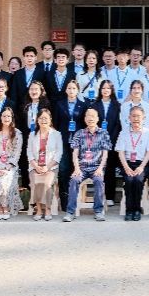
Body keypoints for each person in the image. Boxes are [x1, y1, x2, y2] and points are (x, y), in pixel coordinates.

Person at [64, 107, 112, 221]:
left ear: (97, 119)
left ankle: (98, 211)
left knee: (99, 180)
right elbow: (75, 153)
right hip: (82, 167)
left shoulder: (103, 133)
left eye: (93, 116)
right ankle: (70, 212)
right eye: (88, 116)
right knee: (74, 180)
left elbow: (105, 154)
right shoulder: (79, 133)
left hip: (96, 167)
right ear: (85, 119)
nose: (90, 118)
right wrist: (76, 168)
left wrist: (100, 168)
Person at [116, 106, 149, 221]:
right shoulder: (123, 133)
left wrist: (141, 167)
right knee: (129, 180)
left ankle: (137, 209)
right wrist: (126, 167)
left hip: (142, 164)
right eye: (133, 116)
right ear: (129, 118)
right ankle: (129, 210)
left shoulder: (148, 133)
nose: (136, 118)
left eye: (138, 116)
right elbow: (120, 152)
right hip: (127, 163)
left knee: (138, 180)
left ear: (143, 118)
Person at [0, 107, 23, 220]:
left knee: (5, 181)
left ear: (12, 118)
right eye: (4, 116)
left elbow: (17, 153)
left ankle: (5, 207)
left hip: (10, 164)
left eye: (8, 116)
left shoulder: (17, 133)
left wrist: (7, 167)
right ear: (0, 118)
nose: (6, 118)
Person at [54, 79, 86, 211]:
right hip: (63, 141)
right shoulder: (59, 104)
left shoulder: (83, 105)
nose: (71, 90)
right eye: (69, 88)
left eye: (74, 88)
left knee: (76, 170)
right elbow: (56, 124)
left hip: (78, 143)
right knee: (63, 170)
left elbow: (84, 125)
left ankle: (75, 198)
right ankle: (64, 199)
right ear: (66, 90)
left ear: (78, 90)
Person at [27, 108, 62, 221]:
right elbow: (29, 153)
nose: (43, 120)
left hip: (51, 167)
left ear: (50, 120)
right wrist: (36, 166)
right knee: (35, 183)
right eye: (41, 118)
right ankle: (38, 209)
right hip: (35, 166)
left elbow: (59, 153)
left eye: (46, 118)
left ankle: (47, 209)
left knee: (47, 183)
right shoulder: (32, 134)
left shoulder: (56, 134)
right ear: (37, 120)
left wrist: (48, 167)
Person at [94, 79, 122, 206]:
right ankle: (99, 196)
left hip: (112, 141)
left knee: (110, 169)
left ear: (112, 90)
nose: (105, 90)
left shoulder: (117, 105)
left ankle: (110, 196)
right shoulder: (95, 105)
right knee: (98, 169)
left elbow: (118, 124)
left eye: (108, 88)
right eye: (103, 88)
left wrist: (110, 139)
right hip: (97, 142)